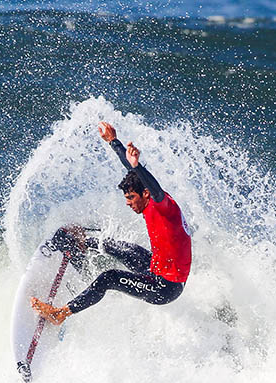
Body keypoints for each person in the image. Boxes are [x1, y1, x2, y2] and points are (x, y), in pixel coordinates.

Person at [31, 121, 192, 325]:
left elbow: (154, 187)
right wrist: (113, 142)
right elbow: (135, 174)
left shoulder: (163, 205)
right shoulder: (147, 198)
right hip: (155, 267)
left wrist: (137, 165)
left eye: (131, 198)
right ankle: (79, 243)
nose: (128, 203)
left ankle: (60, 314)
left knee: (110, 278)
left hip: (165, 287)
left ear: (145, 194)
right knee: (111, 244)